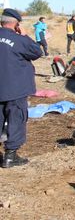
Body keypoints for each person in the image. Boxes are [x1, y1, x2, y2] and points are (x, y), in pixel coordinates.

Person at [0, 9, 43, 168]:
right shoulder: (19, 39)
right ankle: (10, 156)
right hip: (15, 89)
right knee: (16, 119)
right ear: (16, 24)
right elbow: (37, 51)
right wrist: (24, 35)